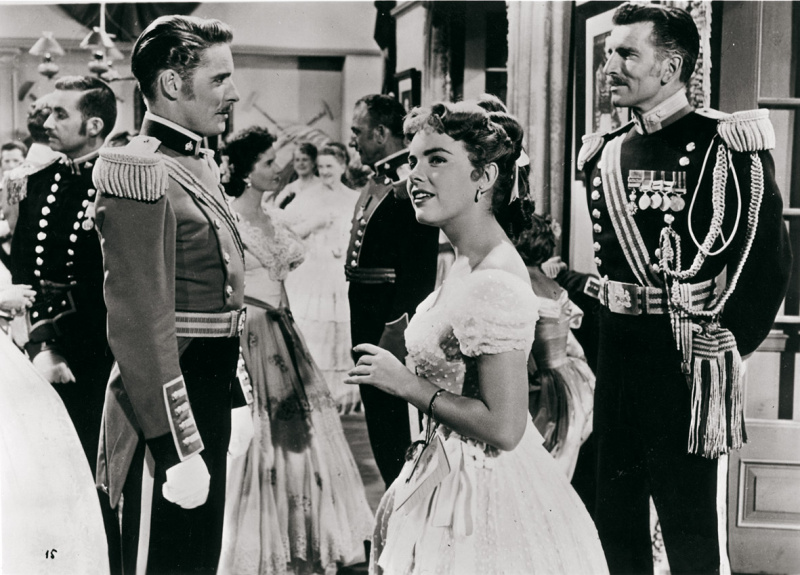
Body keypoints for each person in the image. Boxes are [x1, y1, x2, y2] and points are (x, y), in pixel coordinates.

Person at [345, 101, 609, 575]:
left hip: (482, 491)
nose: (415, 175)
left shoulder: (495, 278)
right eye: (413, 160)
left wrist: (405, 384)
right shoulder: (467, 260)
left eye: (437, 159)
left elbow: (504, 428)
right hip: (447, 468)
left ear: (484, 177)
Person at [578, 3, 792, 573]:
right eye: (609, 53)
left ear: (671, 67)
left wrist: (727, 340)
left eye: (627, 54)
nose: (609, 67)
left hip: (683, 360)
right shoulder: (606, 150)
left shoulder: (726, 144)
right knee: (614, 520)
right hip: (616, 357)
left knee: (689, 526)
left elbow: (768, 263)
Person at [91, 15, 252, 575]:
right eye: (219, 79)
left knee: (197, 559)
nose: (234, 93)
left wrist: (234, 397)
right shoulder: (138, 171)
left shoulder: (196, 162)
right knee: (160, 561)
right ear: (171, 84)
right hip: (163, 410)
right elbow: (140, 325)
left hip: (208, 392)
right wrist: (173, 446)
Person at [218, 127, 374, 575]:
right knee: (259, 434)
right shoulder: (229, 219)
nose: (277, 168)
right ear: (245, 171)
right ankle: (258, 541)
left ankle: (300, 534)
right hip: (250, 334)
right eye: (267, 162)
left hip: (284, 331)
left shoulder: (275, 216)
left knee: (301, 434)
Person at [5, 75, 116, 473]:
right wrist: (41, 343)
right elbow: (24, 271)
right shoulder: (33, 182)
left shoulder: (119, 183)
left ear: (94, 126)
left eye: (60, 114)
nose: (47, 123)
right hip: (43, 348)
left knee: (94, 465)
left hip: (99, 352)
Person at [347, 93, 440, 486]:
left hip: (388, 320)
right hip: (368, 314)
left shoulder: (408, 183)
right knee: (379, 420)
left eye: (358, 131)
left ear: (381, 133)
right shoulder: (381, 179)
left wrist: (397, 330)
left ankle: (402, 504)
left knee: (395, 426)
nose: (353, 140)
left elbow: (419, 269)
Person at [515, 214, 595, 479]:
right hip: (569, 381)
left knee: (533, 466)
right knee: (557, 463)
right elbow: (573, 347)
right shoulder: (554, 285)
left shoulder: (520, 285)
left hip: (541, 386)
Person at [283, 143, 361, 411]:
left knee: (341, 332)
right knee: (316, 330)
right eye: (321, 167)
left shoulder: (354, 198)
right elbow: (284, 229)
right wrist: (311, 226)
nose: (325, 171)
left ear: (343, 166)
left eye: (330, 166)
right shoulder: (307, 196)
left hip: (342, 272)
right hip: (314, 271)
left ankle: (343, 396)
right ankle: (315, 394)